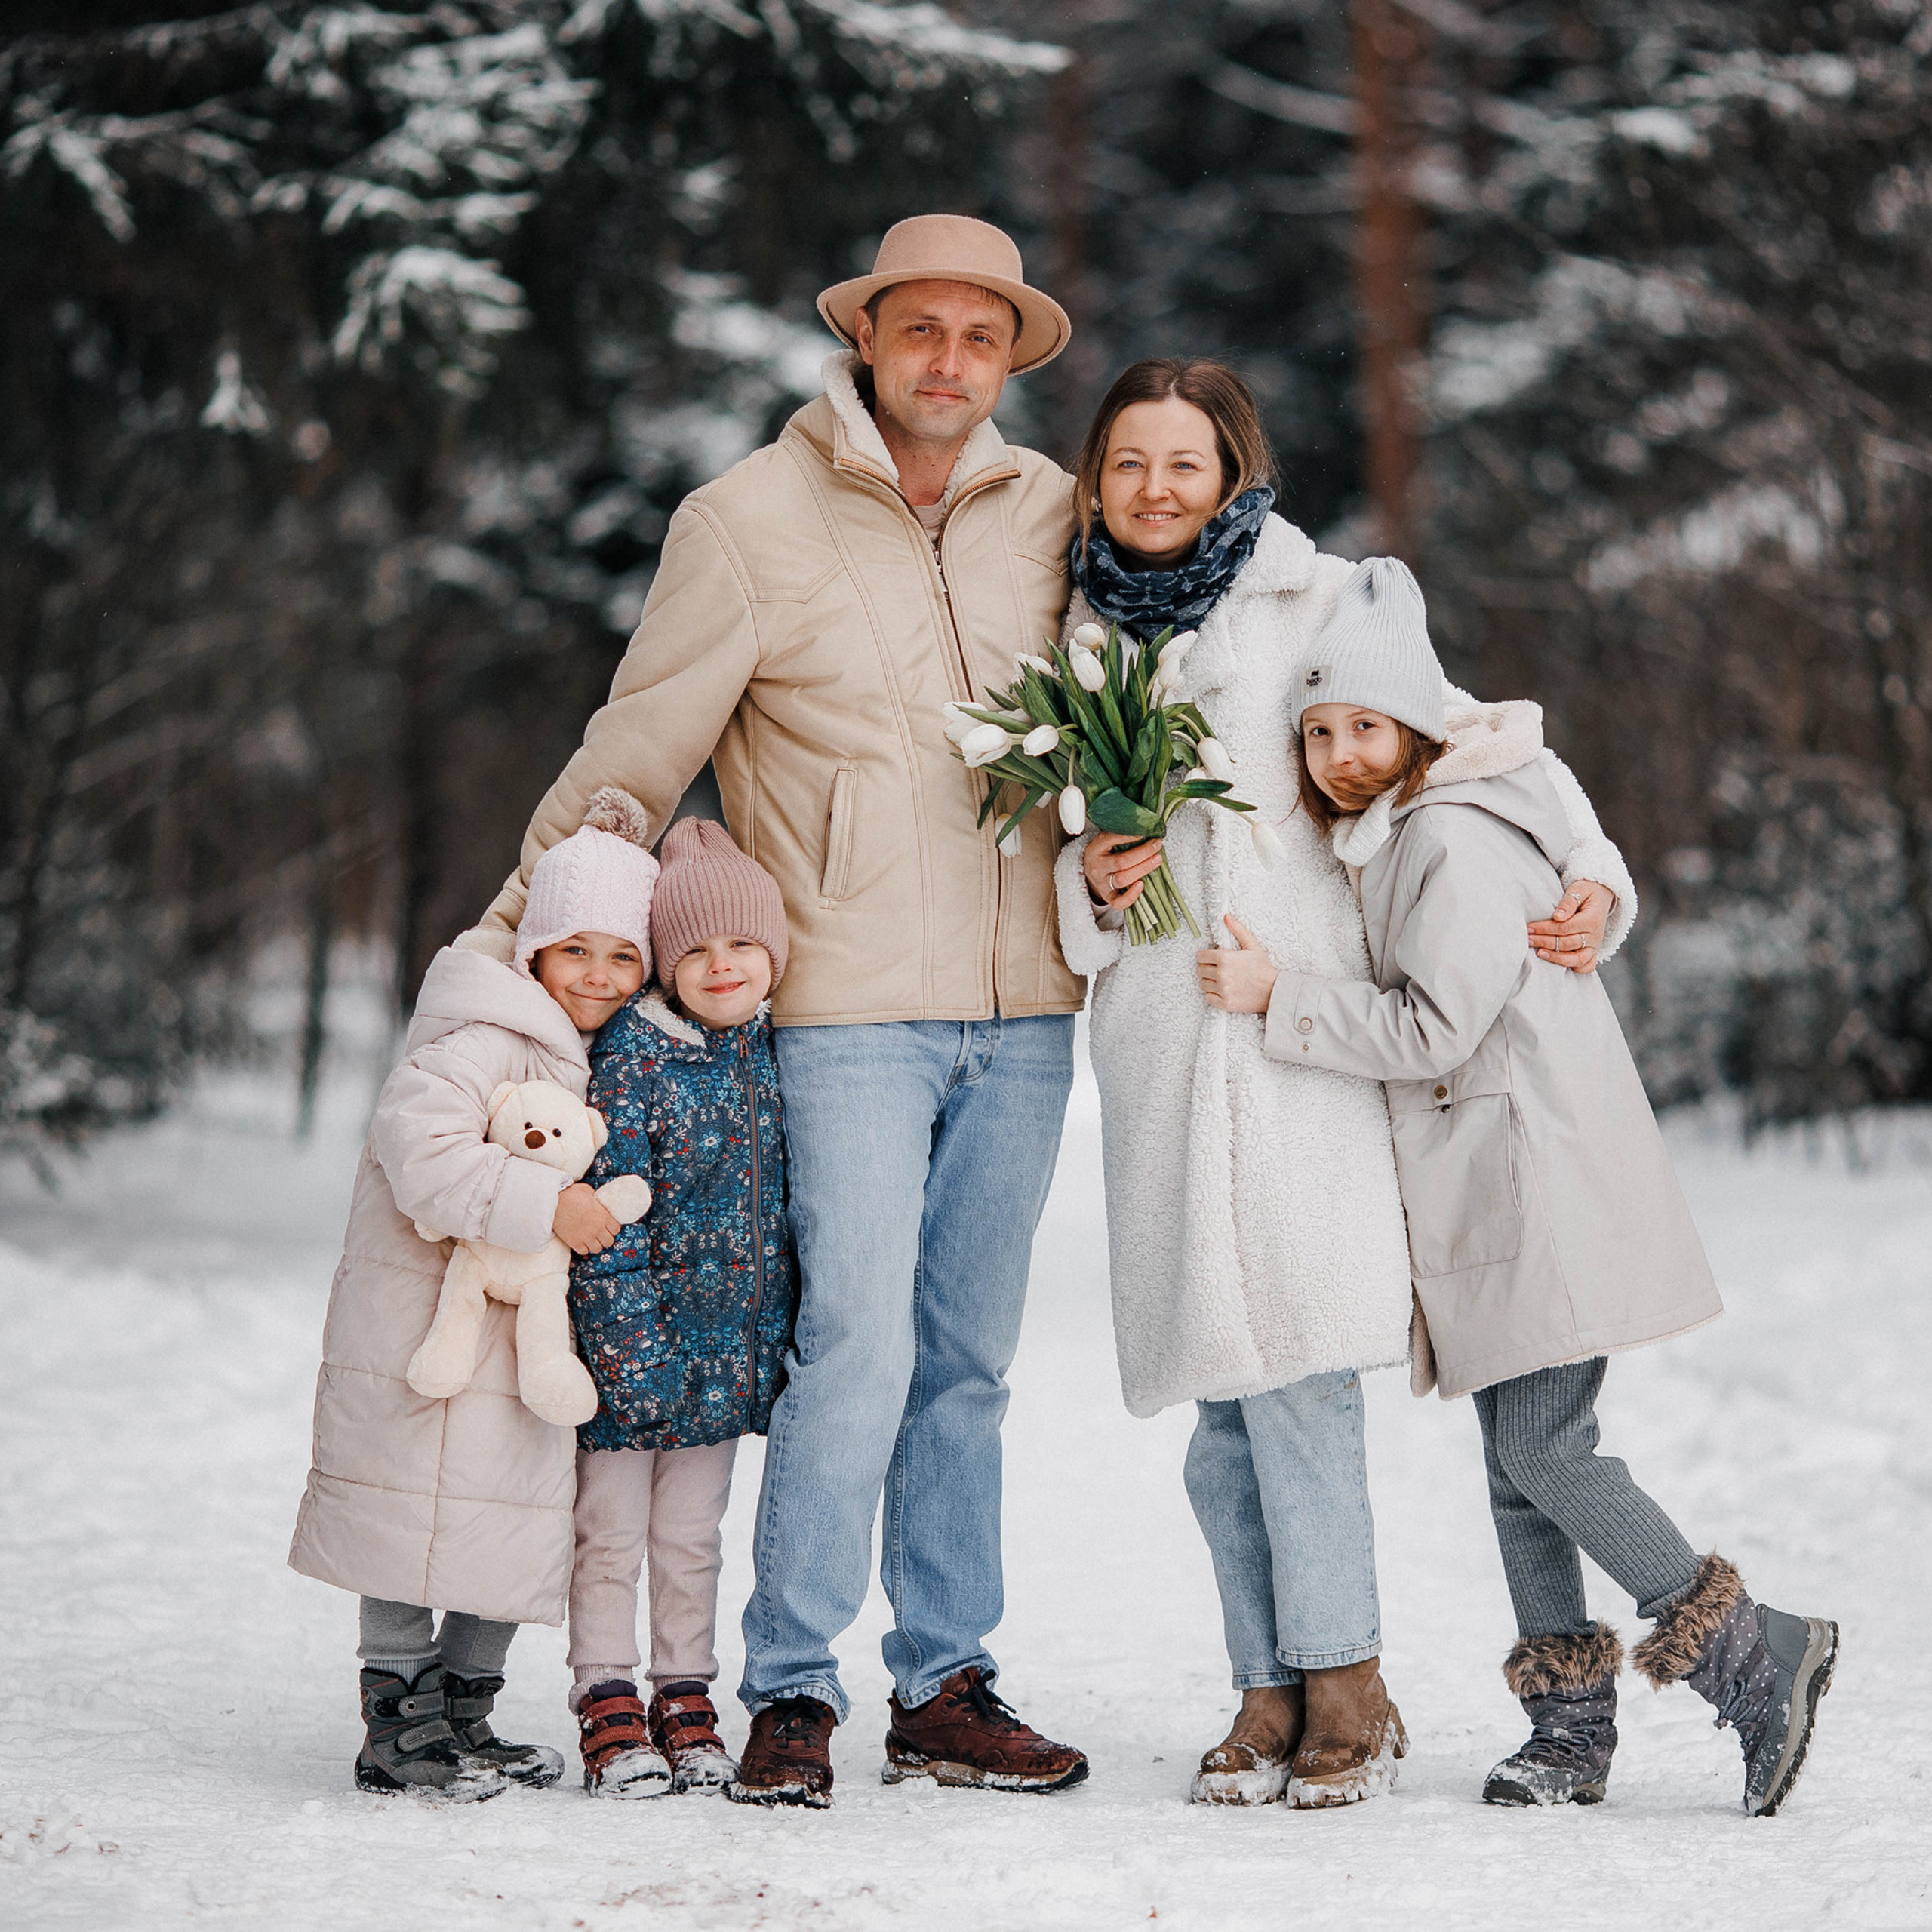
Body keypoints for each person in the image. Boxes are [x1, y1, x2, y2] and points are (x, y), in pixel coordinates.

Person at [454, 215, 1090, 1806]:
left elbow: (1175, 678)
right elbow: (636, 745)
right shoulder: (745, 520)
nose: (949, 362)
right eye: (921, 330)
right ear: (866, 338)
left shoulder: (1053, 520)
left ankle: (944, 1679)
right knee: (854, 1344)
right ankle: (790, 1687)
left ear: (1007, 357)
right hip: (846, 1014)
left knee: (967, 1363)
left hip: (1025, 1013)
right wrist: (505, 936)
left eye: (980, 337)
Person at [1051, 359, 1634, 1807]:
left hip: (1310, 1034)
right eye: (1129, 464)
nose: (1155, 491)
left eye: (1185, 463)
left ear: (1235, 472)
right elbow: (1057, 853)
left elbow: (1488, 745)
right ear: (1097, 478)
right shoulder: (1077, 637)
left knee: (1302, 1370)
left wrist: (1597, 878)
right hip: (1163, 1033)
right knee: (1216, 1402)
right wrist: (1088, 878)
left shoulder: (1336, 598)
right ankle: (1263, 1686)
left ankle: (1347, 1684)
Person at [1199, 555, 1838, 1817]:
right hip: (1496, 1186)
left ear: (1421, 726)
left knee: (1546, 1444)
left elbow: (1434, 1028)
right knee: (1518, 1460)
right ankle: (1567, 1725)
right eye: (1317, 731)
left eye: (1363, 727)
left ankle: (1750, 1648)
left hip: (1533, 1181)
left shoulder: (1447, 834)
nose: (1336, 753)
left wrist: (1286, 1002)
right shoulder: (1412, 825)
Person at [288, 789, 659, 1801]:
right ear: (533, 952)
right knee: (414, 1524)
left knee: (507, 1523)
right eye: (576, 949)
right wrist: (550, 1206)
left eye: (622, 954)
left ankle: (464, 1710)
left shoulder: (584, 1053)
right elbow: (423, 1158)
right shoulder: (479, 1036)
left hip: (524, 1346)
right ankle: (397, 1720)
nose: (599, 973)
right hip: (428, 1327)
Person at [563, 820, 798, 1800]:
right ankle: (607, 1697)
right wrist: (629, 1357)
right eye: (694, 950)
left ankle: (684, 1693)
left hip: (725, 1365)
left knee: (693, 1536)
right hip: (634, 1362)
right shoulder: (632, 1057)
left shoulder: (774, 1053)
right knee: (609, 1533)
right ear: (664, 966)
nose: (721, 965)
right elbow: (608, 1218)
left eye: (742, 944)